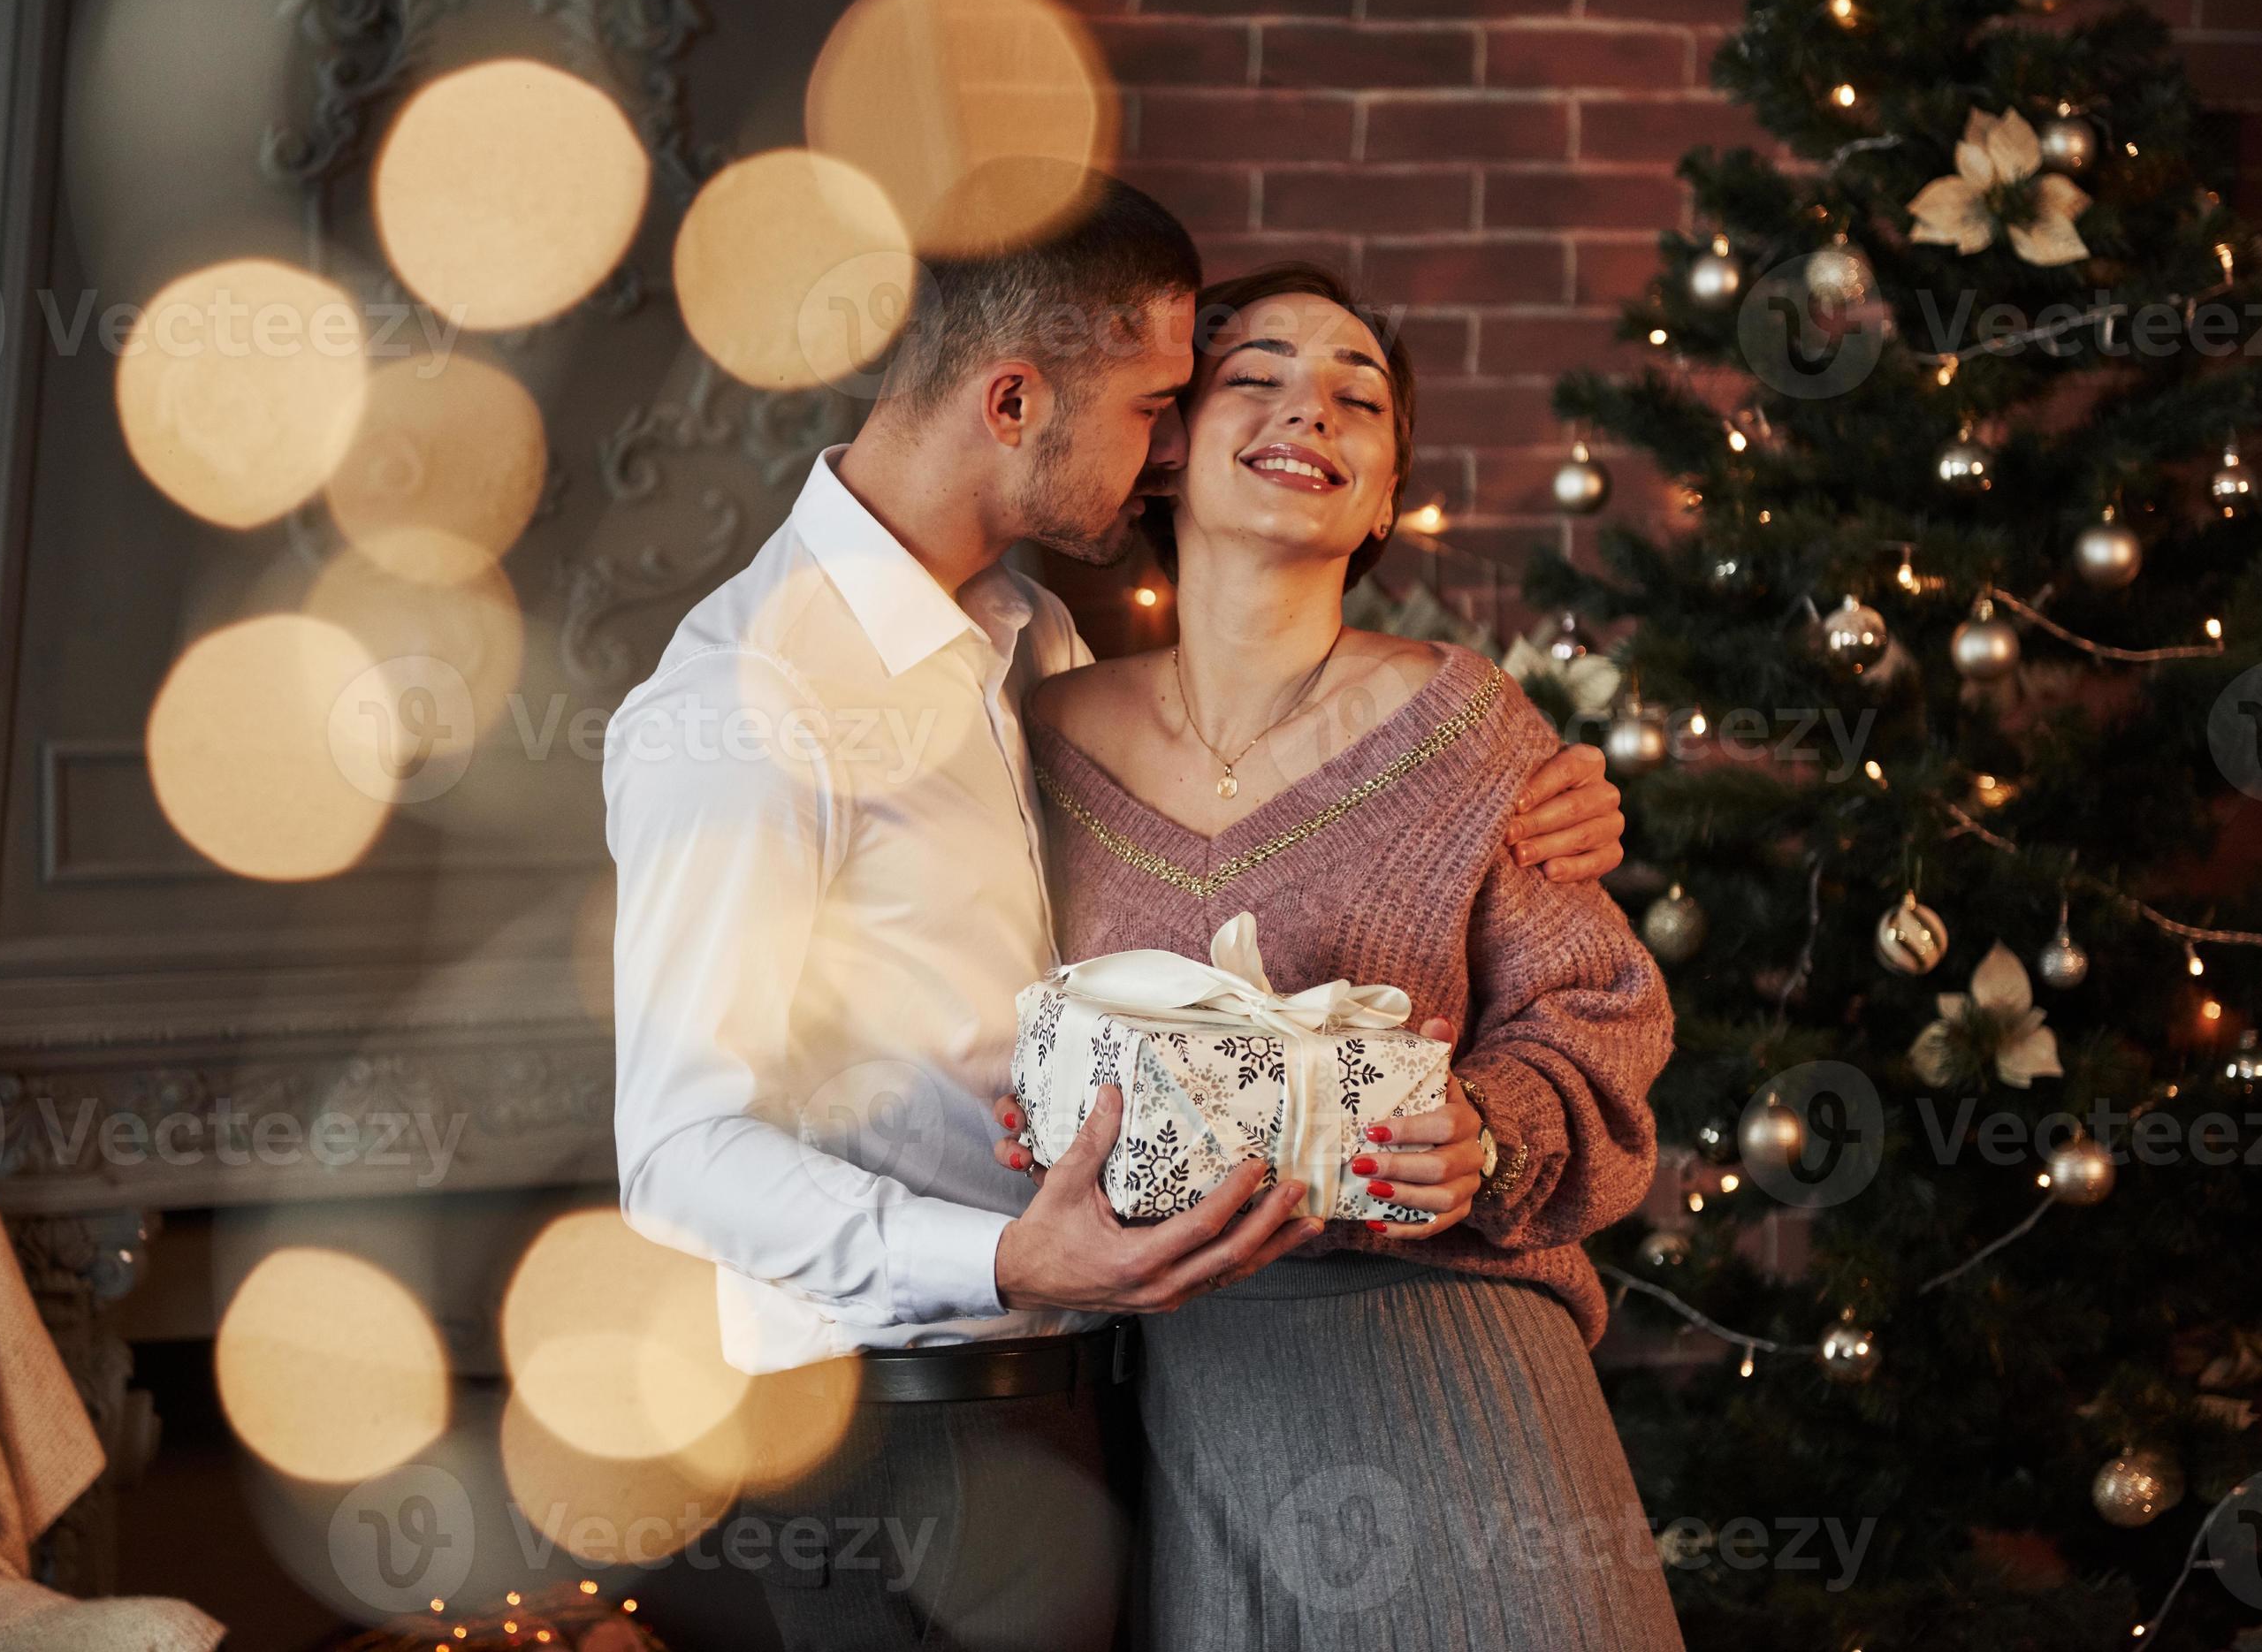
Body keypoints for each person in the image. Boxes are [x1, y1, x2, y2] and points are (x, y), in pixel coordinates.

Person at [602, 171, 1628, 1652]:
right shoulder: (746, 702)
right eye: (1164, 404)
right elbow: (679, 1156)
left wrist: (1550, 821)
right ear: (1014, 401)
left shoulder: (1031, 652)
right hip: (899, 1429)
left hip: (1106, 1403)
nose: (1162, 450)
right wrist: (1012, 1257)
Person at [992, 262, 1685, 1650]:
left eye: (1355, 398)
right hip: (1156, 1380)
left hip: (1435, 1347)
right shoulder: (1030, 733)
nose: (1307, 409)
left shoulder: (1470, 725)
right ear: (1164, 451)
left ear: (1380, 496)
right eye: (1253, 377)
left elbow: (1592, 1018)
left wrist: (1485, 1134)